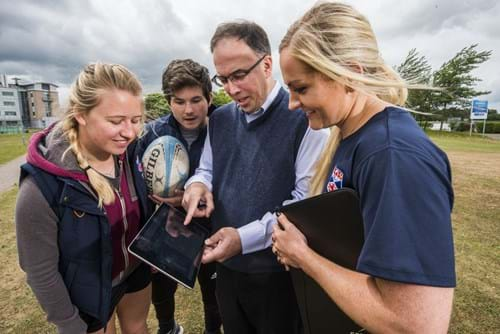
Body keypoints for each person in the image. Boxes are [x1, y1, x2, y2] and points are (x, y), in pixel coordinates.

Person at [272, 2, 456, 333]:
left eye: (301, 88)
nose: (292, 103)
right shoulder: (352, 136)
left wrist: (304, 257)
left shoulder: (393, 155)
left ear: (349, 73)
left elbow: (416, 325)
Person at [182, 21, 328, 334]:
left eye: (238, 75)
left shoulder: (306, 118)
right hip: (227, 270)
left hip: (280, 275)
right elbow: (206, 168)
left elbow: (302, 205)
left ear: (266, 64)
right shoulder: (219, 118)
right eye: (223, 79)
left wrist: (242, 239)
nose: (231, 89)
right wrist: (197, 186)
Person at [15, 63, 151, 334]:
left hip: (136, 272)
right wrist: (68, 324)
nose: (130, 132)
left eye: (135, 120)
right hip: (90, 295)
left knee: (137, 327)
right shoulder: (40, 188)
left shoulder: (129, 151)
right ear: (81, 115)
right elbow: (40, 270)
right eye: (115, 121)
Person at [134, 59, 222, 334]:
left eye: (196, 100)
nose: (188, 109)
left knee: (214, 289)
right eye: (179, 101)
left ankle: (211, 330)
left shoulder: (227, 129)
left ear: (209, 97)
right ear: (168, 101)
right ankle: (168, 328)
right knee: (162, 285)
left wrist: (193, 195)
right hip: (166, 226)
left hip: (211, 225)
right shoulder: (152, 133)